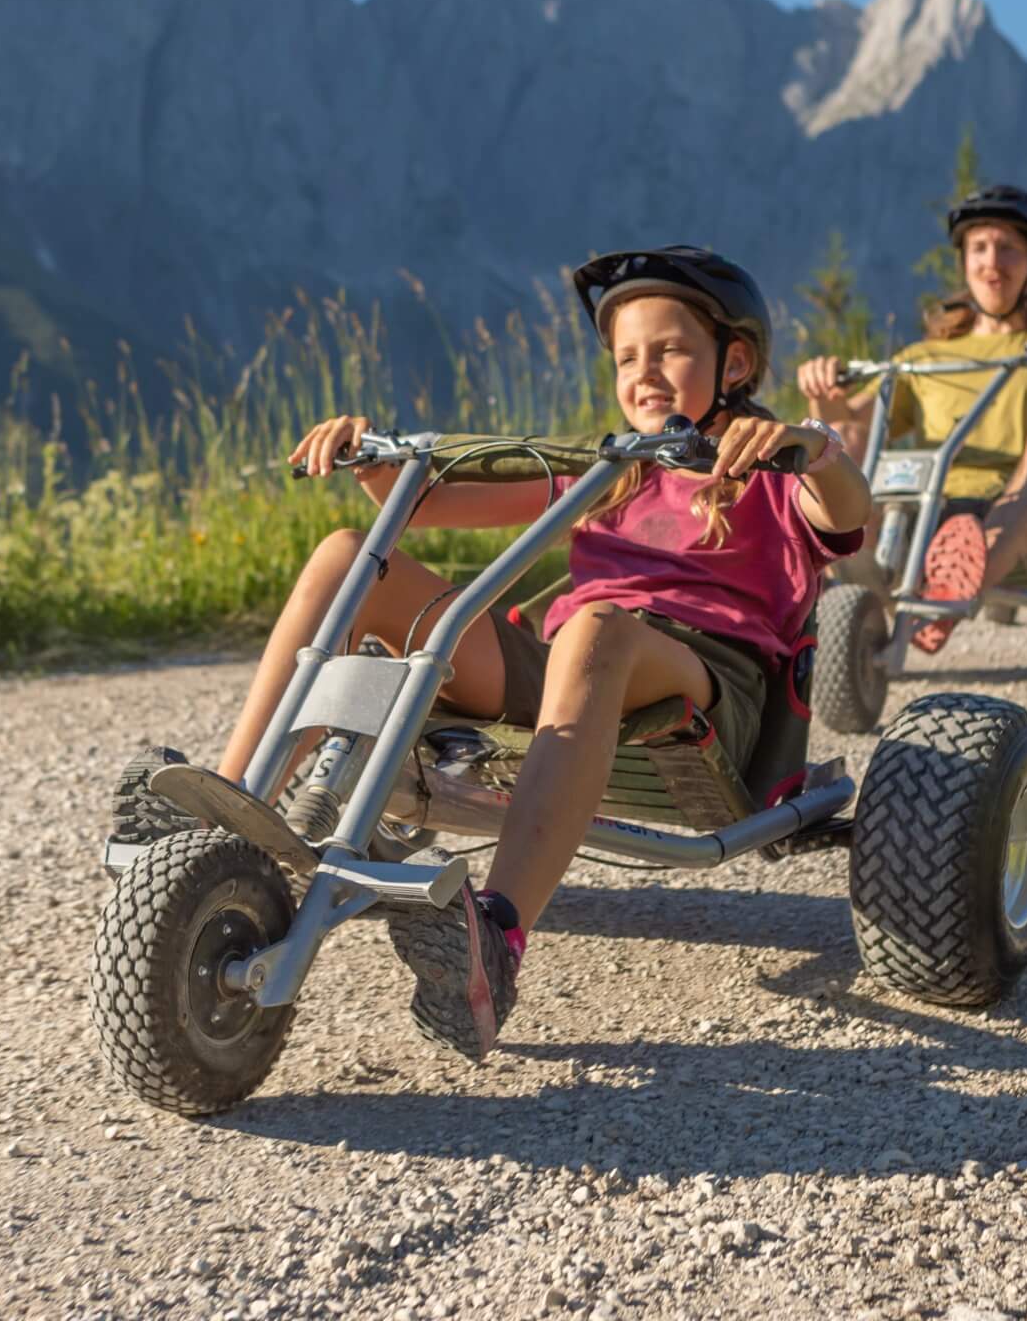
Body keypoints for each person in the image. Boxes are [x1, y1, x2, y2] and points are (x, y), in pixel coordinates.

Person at [214, 246, 870, 1060]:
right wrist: (366, 457)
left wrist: (814, 446)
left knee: (594, 627)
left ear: (733, 360)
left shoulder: (769, 464)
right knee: (351, 555)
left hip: (706, 679)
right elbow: (426, 505)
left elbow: (847, 518)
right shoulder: (614, 470)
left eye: (668, 350)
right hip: (569, 664)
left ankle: (496, 940)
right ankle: (223, 817)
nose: (644, 372)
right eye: (628, 357)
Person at [796, 185, 1027, 653]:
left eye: (1009, 249)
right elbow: (848, 425)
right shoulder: (924, 356)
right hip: (924, 515)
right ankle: (858, 571)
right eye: (979, 248)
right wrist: (823, 391)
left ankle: (959, 582)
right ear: (964, 262)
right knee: (836, 439)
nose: (992, 262)